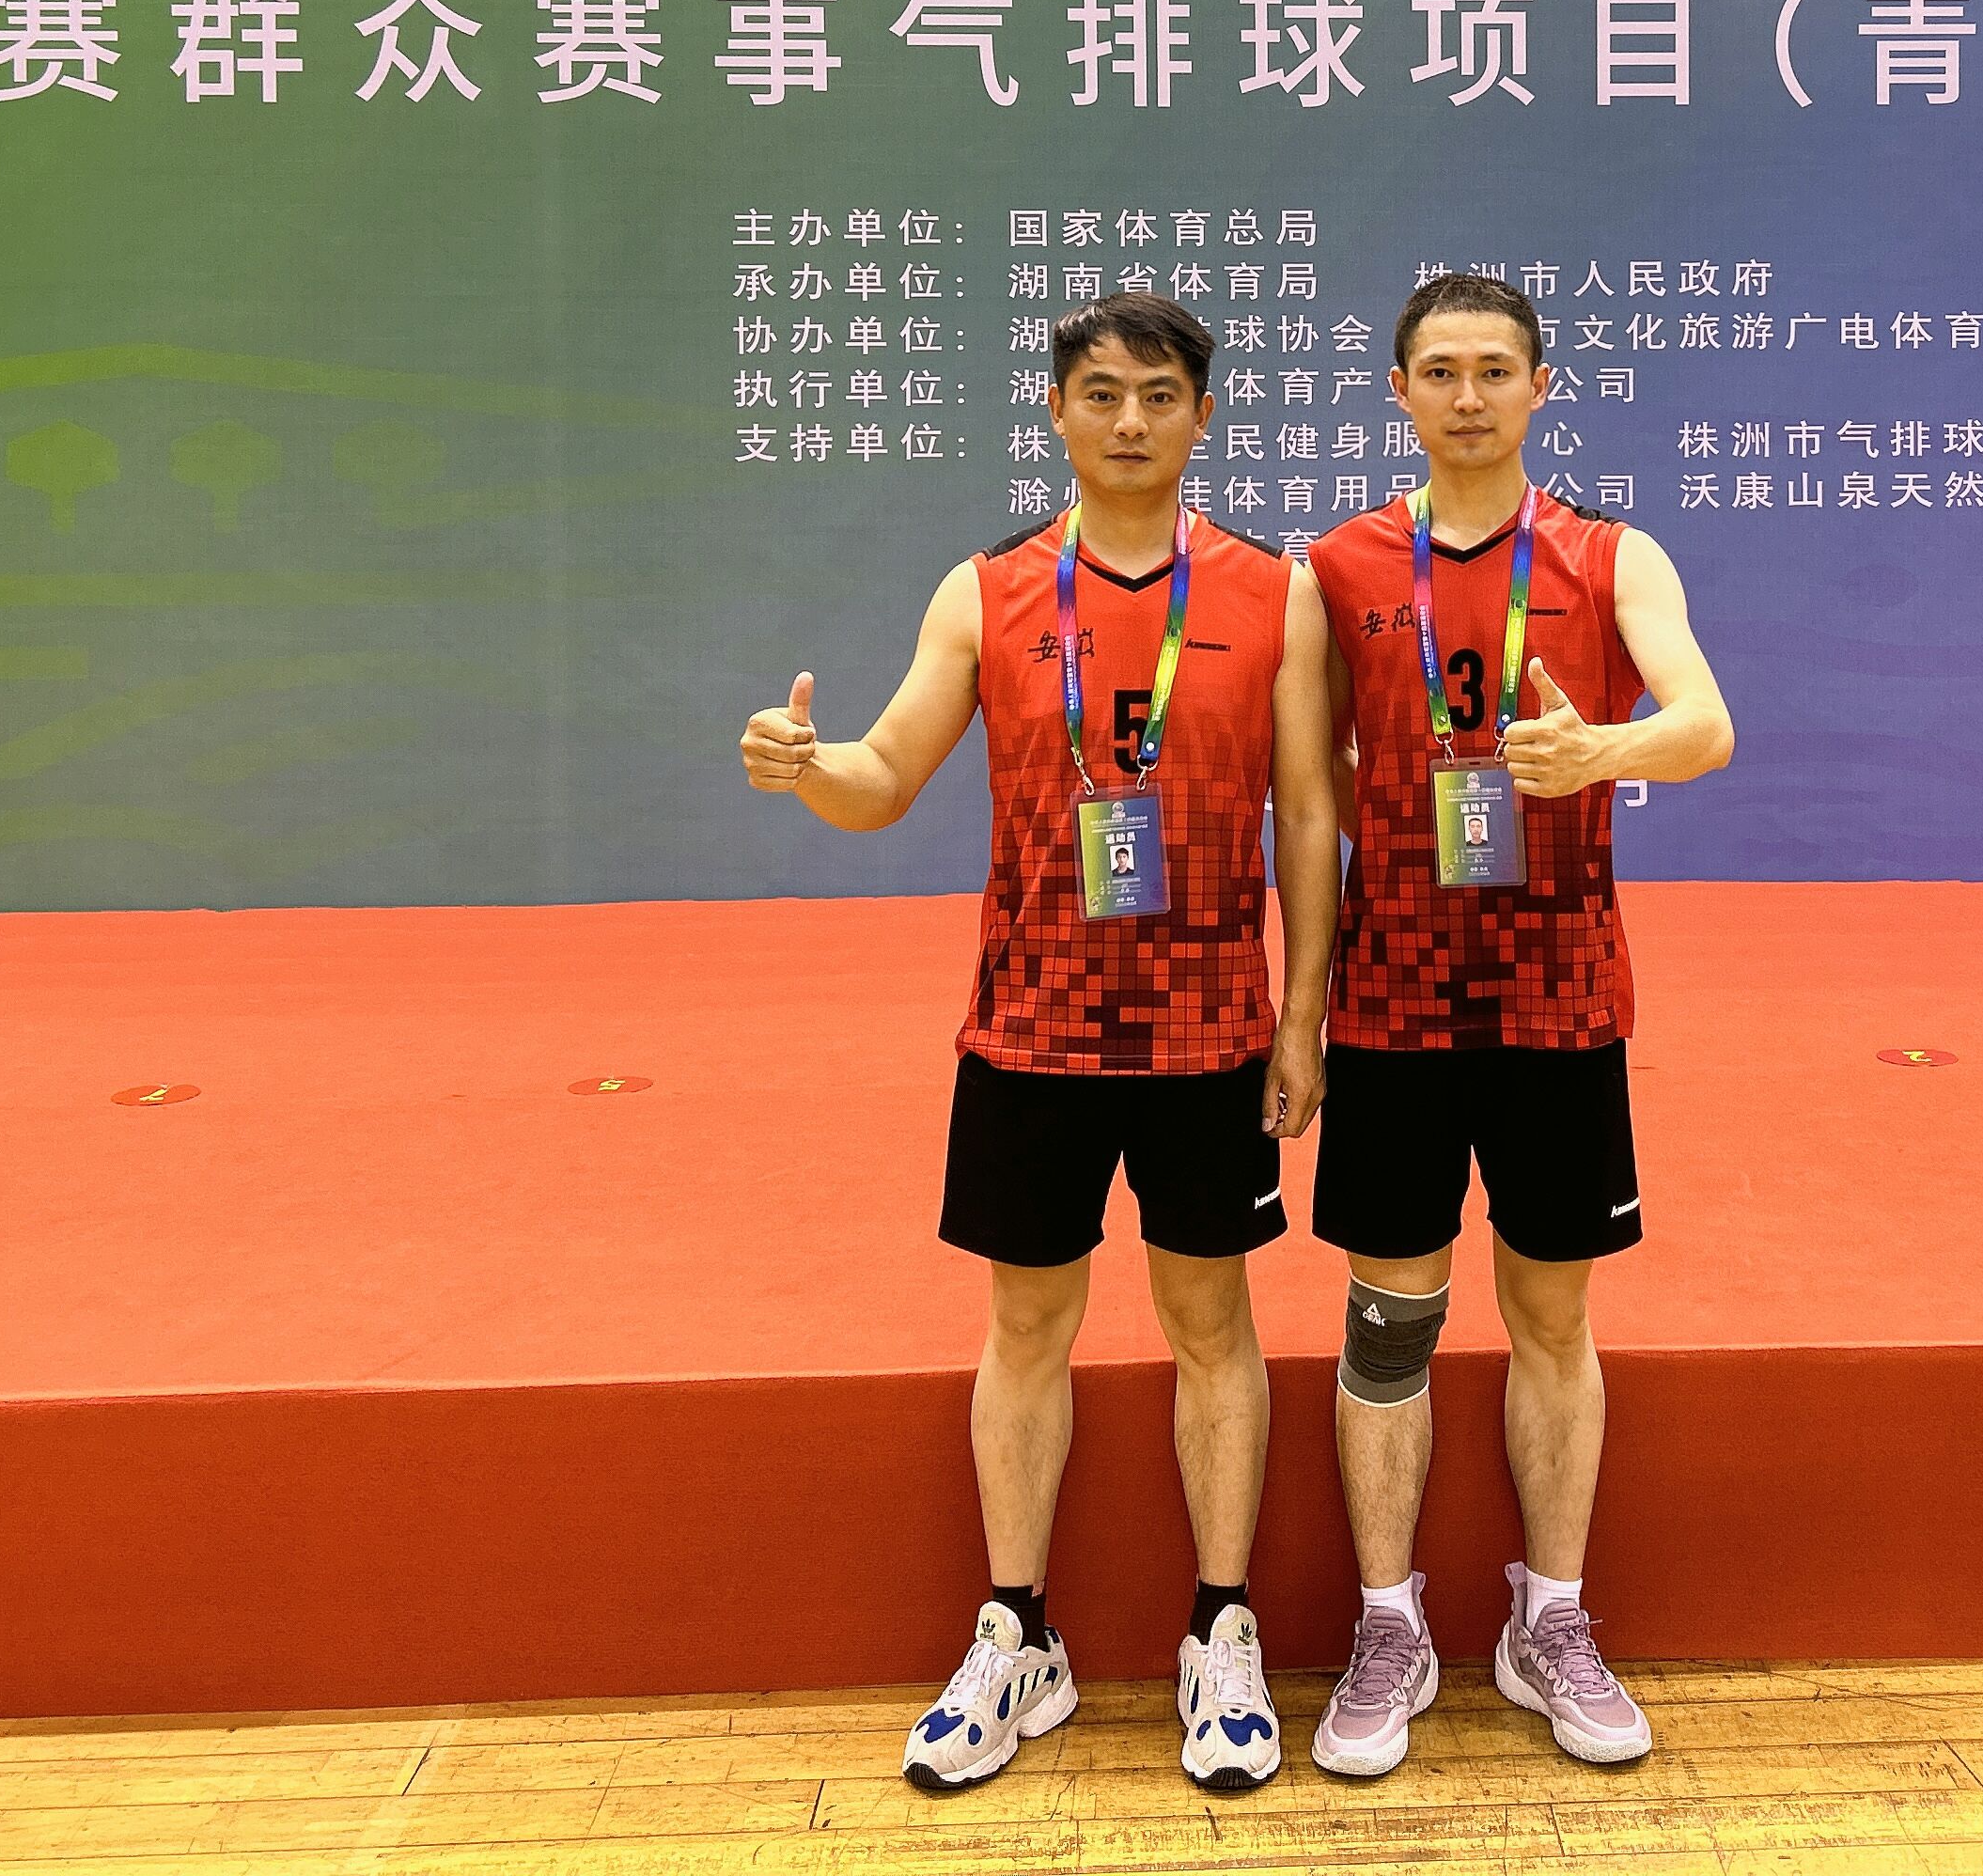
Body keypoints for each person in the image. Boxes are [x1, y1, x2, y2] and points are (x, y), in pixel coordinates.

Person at [742, 293, 1335, 1796]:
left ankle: (1221, 1632)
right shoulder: (988, 592)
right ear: (1057, 411)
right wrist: (808, 769)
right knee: (1026, 1330)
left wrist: (1304, 1013)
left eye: (1158, 394)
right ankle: (1018, 1634)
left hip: (1209, 1037)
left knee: (1213, 1325)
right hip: (1029, 1033)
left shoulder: (1274, 592)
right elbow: (884, 775)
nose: (1129, 419)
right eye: (1100, 393)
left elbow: (1311, 817)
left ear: (1202, 417)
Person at [1300, 273, 1735, 1777]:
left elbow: (1705, 724)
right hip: (1393, 1005)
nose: (1470, 395)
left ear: (1542, 387)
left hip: (1560, 1001)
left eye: (1497, 369)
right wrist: (1301, 1011)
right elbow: (1309, 781)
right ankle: (1386, 1623)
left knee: (1554, 1318)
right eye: (1441, 370)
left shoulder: (1613, 557)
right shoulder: (1341, 568)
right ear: (1400, 392)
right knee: (1388, 1323)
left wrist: (1596, 751)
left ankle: (1551, 1619)